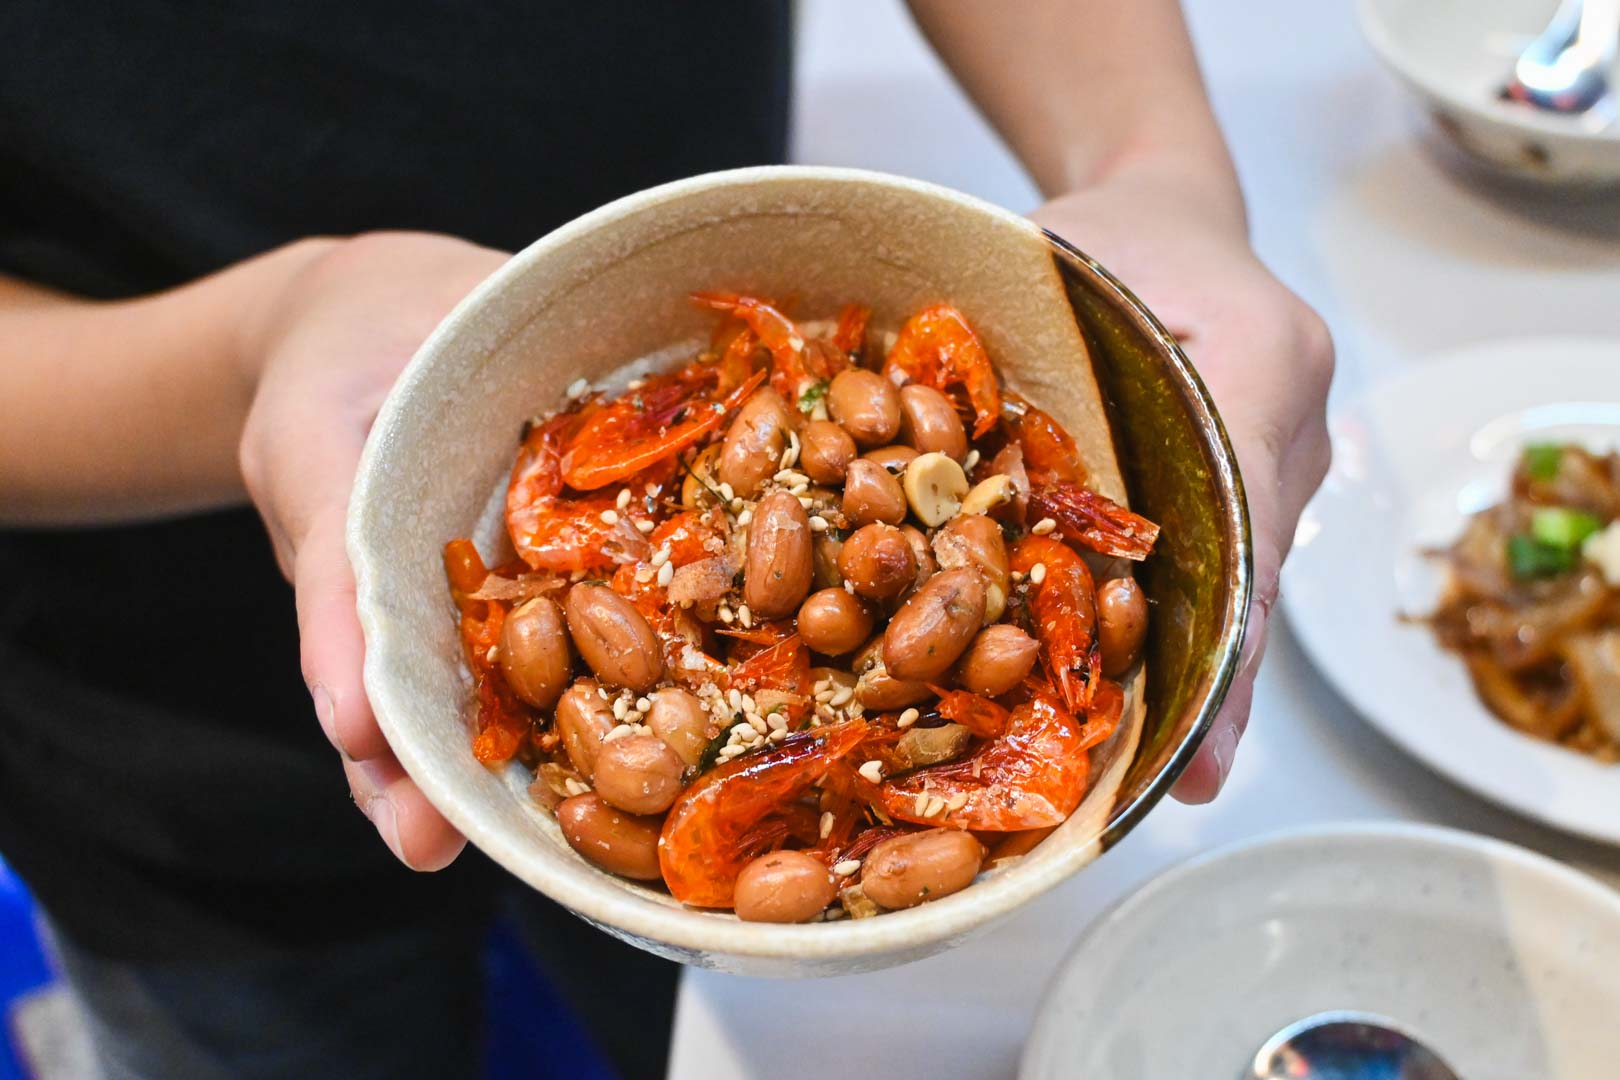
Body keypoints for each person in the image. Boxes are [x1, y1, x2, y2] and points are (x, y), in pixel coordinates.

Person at [0, 2, 1332, 1077]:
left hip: (650, 803)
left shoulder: (857, 538)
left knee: (667, 1025)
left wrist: (1154, 168)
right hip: (161, 730)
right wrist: (253, 345)